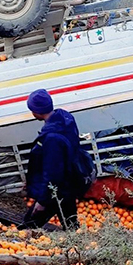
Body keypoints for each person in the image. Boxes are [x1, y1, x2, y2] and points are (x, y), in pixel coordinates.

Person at [23, 89, 95, 229]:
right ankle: (76, 243)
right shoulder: (66, 118)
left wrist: (42, 202)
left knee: (30, 224)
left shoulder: (52, 138)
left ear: (37, 112)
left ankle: (25, 243)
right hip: (70, 181)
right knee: (70, 222)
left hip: (59, 188)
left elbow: (53, 173)